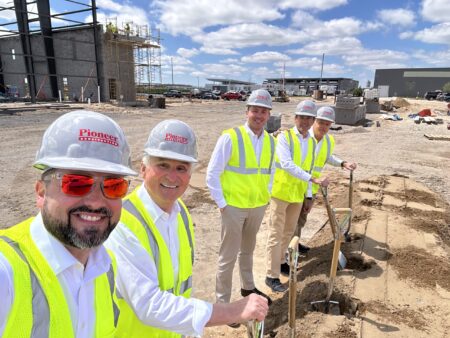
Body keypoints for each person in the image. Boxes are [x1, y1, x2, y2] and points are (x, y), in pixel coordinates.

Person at [105, 119, 268, 337]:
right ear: (143, 168)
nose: (172, 177)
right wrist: (231, 311)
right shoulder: (123, 222)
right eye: (163, 165)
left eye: (181, 168)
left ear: (190, 175)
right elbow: (149, 305)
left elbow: (180, 288)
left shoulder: (180, 211)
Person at [0, 110, 137, 337]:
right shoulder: (7, 272)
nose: (95, 202)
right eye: (76, 183)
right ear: (41, 191)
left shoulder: (105, 267)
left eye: (113, 185)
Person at [206, 89, 275, 321]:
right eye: (255, 110)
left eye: (263, 111)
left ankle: (248, 287)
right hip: (233, 207)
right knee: (228, 257)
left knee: (248, 251)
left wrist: (266, 197)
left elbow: (270, 172)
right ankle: (223, 305)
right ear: (247, 111)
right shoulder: (231, 137)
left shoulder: (271, 141)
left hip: (257, 206)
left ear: (268, 115)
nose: (259, 115)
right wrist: (222, 203)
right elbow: (212, 173)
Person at [265, 100, 329, 292]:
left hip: (297, 195)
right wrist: (313, 179)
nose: (305, 121)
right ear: (295, 118)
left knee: (288, 232)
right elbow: (286, 163)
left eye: (309, 118)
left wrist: (308, 196)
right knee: (276, 234)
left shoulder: (310, 142)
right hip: (280, 193)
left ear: (312, 121)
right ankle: (271, 275)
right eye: (302, 117)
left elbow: (307, 167)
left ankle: (282, 261)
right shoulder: (285, 137)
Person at [296, 106, 357, 251]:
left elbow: (327, 157)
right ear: (314, 121)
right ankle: (287, 253)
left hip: (312, 186)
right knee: (292, 222)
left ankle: (295, 245)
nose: (323, 126)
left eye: (327, 124)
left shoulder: (328, 141)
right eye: (321, 122)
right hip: (297, 185)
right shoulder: (304, 137)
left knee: (301, 220)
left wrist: (342, 163)